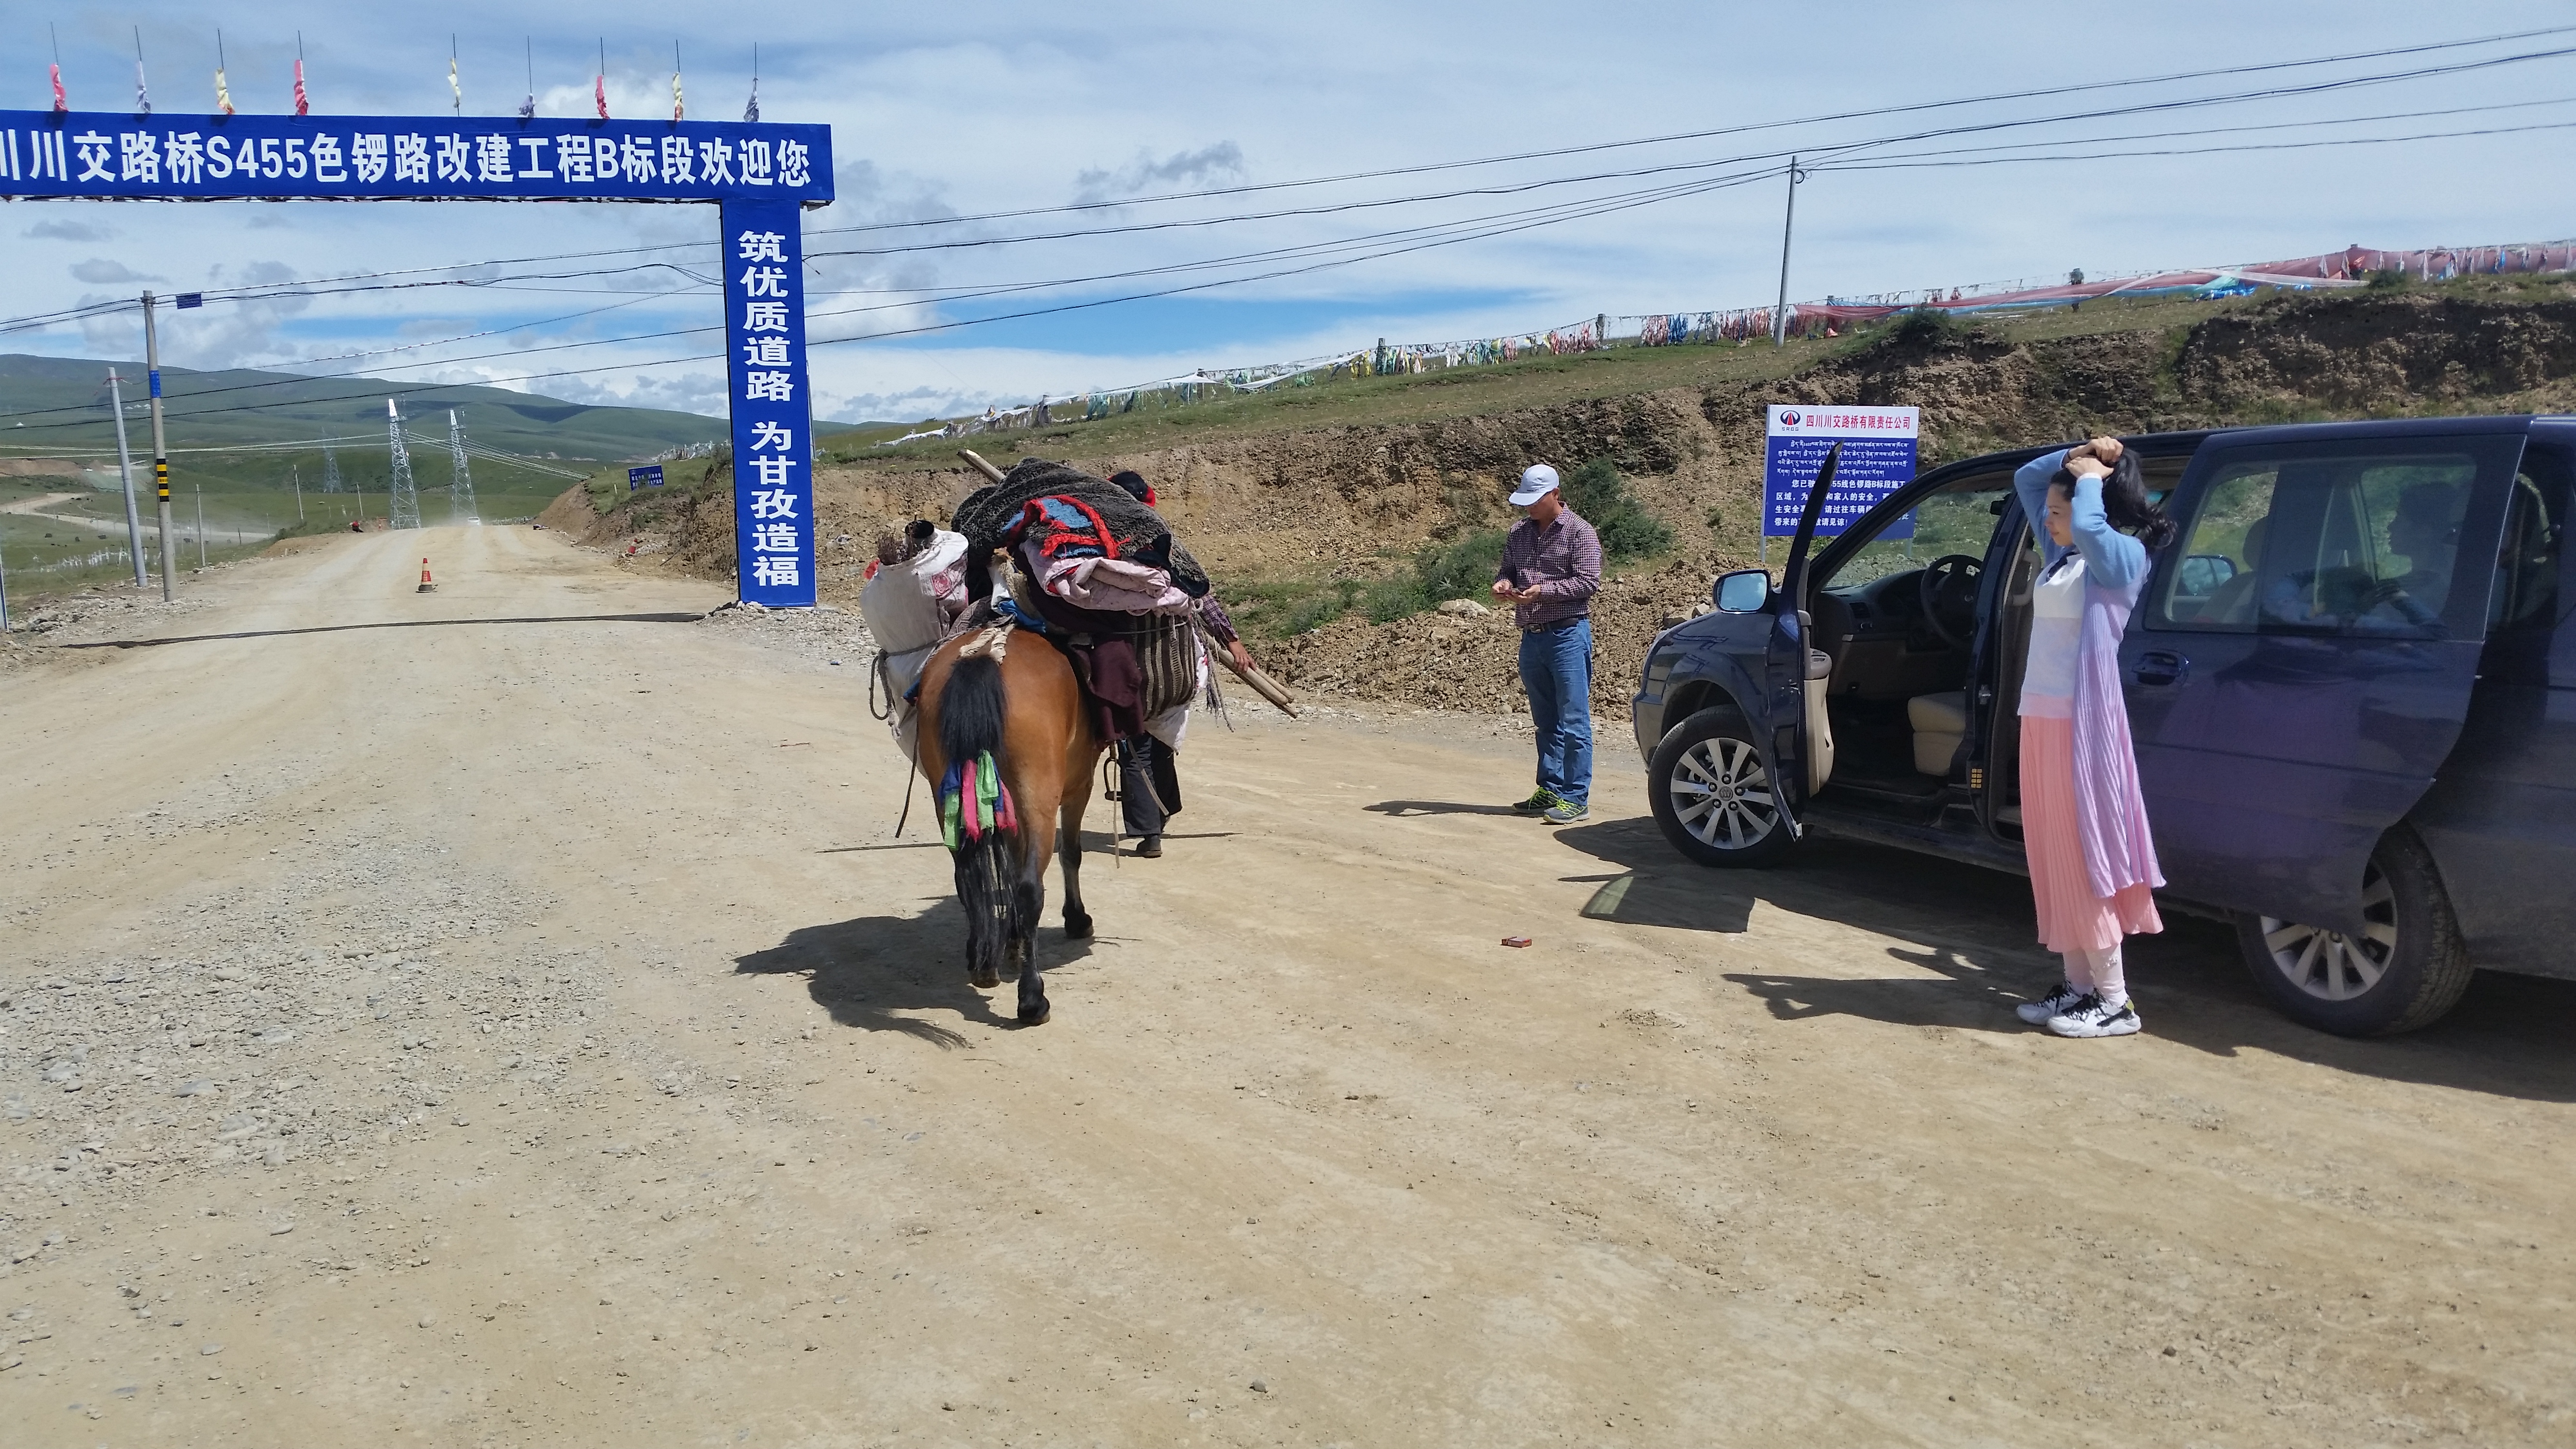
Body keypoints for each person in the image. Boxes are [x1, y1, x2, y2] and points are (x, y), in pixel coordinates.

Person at [2009, 436, 2175, 1039]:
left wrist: (2084, 483)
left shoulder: (2120, 557)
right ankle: (2078, 987)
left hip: (2085, 729)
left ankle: (2114, 1001)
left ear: (2094, 506)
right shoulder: (2065, 557)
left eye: (2060, 513)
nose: (2048, 522)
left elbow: (2082, 518)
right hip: (2043, 721)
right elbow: (2028, 478)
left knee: (2084, 857)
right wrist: (2078, 453)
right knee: (2053, 854)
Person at [1104, 469, 1258, 858]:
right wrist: (1232, 641)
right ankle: (1163, 810)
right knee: (1158, 742)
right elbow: (1202, 597)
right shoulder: (1168, 545)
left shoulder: (1099, 549)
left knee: (1136, 747)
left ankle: (1149, 832)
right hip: (1176, 662)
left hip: (1131, 661)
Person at [1491, 463, 1601, 825]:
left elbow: (1588, 583)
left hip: (1568, 636)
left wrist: (1544, 592)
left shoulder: (1581, 533)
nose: (1529, 508)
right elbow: (1507, 570)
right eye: (1525, 501)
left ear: (1555, 494)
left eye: (1536, 500)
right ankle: (1550, 788)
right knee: (1546, 722)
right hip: (1532, 638)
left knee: (1574, 720)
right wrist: (1504, 585)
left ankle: (1576, 797)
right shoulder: (1519, 533)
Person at [858, 519, 970, 760]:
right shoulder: (934, 569)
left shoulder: (873, 592)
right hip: (932, 658)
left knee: (915, 731)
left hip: (899, 670)